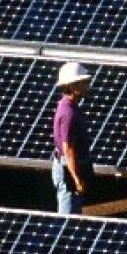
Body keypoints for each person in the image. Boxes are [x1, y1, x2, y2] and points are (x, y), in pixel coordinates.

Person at [52, 62, 94, 215]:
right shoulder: (68, 114)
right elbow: (68, 149)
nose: (87, 86)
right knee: (68, 215)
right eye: (84, 83)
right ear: (73, 86)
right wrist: (76, 179)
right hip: (68, 167)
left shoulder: (69, 106)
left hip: (70, 164)